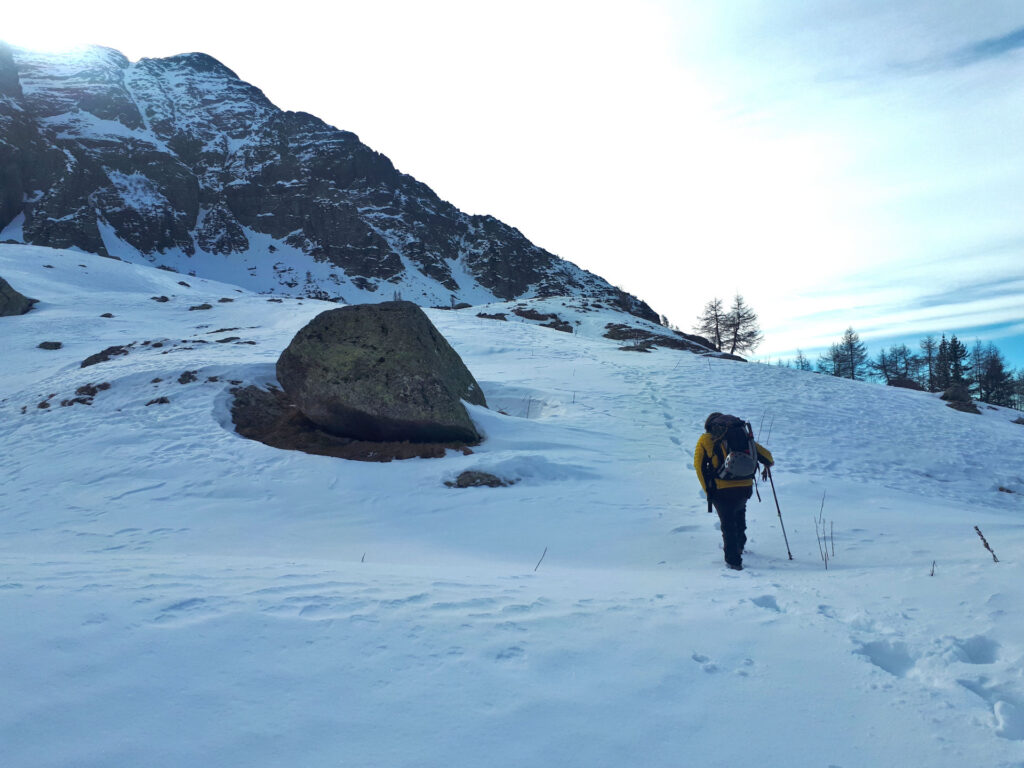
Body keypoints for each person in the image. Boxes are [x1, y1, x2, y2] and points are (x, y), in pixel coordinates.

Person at [693, 412, 774, 571]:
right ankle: (740, 545)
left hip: (722, 489)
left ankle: (733, 561)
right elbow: (768, 457)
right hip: (744, 487)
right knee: (739, 511)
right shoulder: (742, 438)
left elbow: (699, 467)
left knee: (728, 524)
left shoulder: (706, 439)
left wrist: (708, 490)